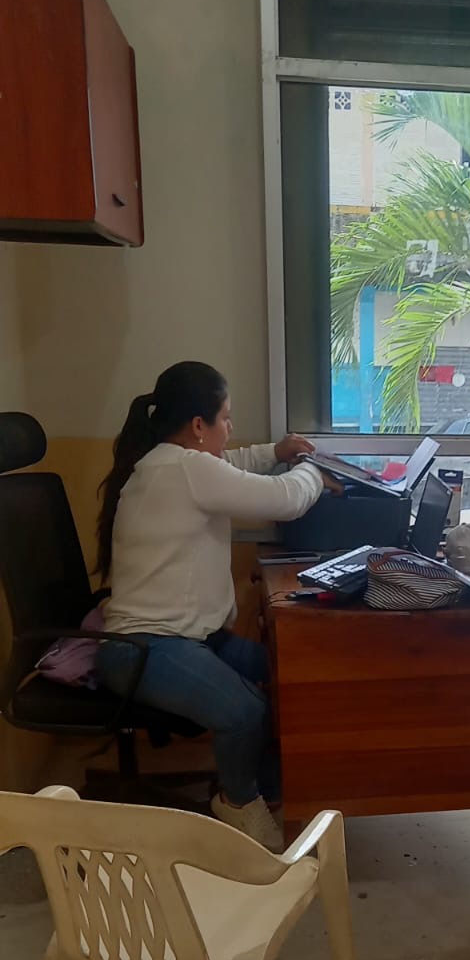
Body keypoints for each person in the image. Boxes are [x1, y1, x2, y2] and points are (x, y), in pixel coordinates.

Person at [95, 360, 324, 850]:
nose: (231, 427)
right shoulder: (186, 469)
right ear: (199, 426)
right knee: (245, 710)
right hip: (143, 648)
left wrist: (276, 452)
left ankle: (258, 787)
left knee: (284, 672)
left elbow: (231, 466)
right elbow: (285, 500)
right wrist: (316, 470)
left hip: (183, 638)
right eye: (226, 417)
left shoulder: (169, 462)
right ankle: (238, 803)